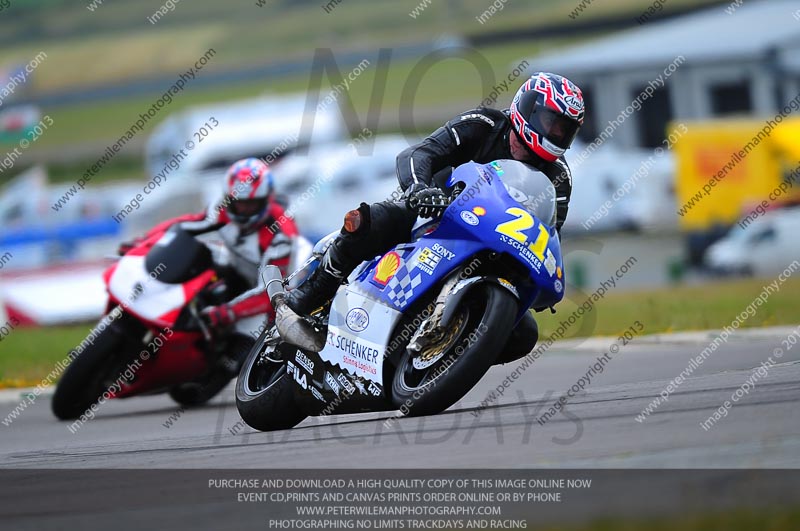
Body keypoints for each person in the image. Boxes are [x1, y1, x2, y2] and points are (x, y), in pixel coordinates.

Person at [281, 72, 585, 361]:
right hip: (432, 216)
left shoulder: (560, 178)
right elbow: (419, 154)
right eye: (552, 123)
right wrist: (420, 189)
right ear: (529, 109)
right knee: (370, 220)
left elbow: (549, 232)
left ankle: (440, 359)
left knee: (523, 334)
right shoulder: (484, 123)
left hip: (495, 246)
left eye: (564, 130)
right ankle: (311, 295)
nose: (556, 134)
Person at [121, 157, 302, 331]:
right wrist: (143, 242)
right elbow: (187, 224)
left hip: (278, 293)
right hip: (239, 272)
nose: (243, 210)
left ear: (265, 201)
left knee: (249, 343)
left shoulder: (281, 235)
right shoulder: (223, 207)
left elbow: (271, 292)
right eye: (238, 203)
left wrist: (227, 312)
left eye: (251, 205)